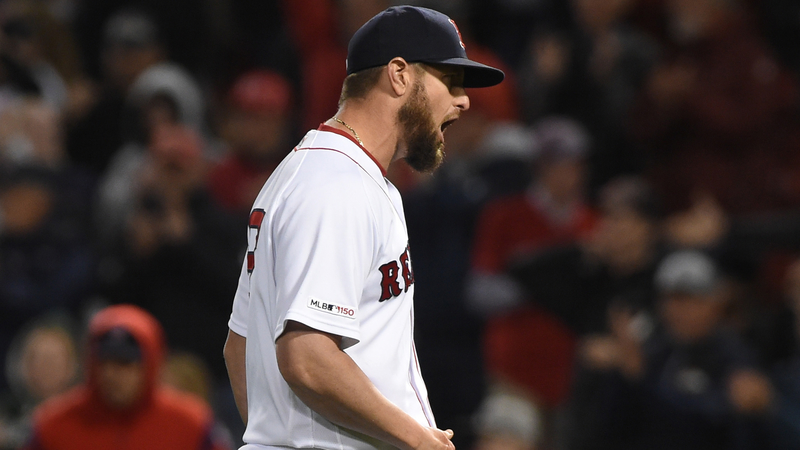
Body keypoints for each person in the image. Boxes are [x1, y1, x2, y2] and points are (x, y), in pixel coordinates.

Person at [222, 5, 504, 450]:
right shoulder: (337, 185)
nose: (464, 100)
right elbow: (306, 357)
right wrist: (416, 440)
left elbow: (240, 347)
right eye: (449, 80)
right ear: (399, 75)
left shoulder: (319, 172)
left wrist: (272, 436)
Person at [24, 304, 230, 450]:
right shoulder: (52, 427)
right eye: (104, 362)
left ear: (150, 365)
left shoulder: (191, 425)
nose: (112, 374)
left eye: (125, 363)